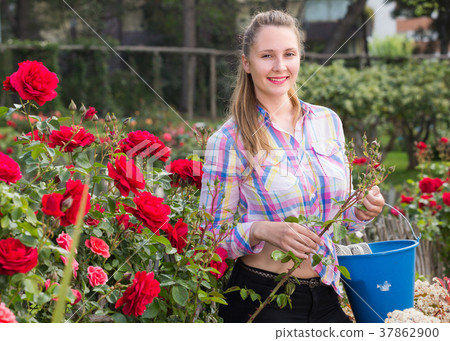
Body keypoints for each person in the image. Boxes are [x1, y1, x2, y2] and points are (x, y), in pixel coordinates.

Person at [199, 10, 385, 323]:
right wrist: (261, 229)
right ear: (247, 62)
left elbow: (340, 212)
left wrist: (362, 206)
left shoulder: (327, 121)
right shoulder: (229, 140)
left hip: (326, 290)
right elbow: (209, 236)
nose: (280, 66)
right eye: (267, 56)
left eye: (289, 54)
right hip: (262, 298)